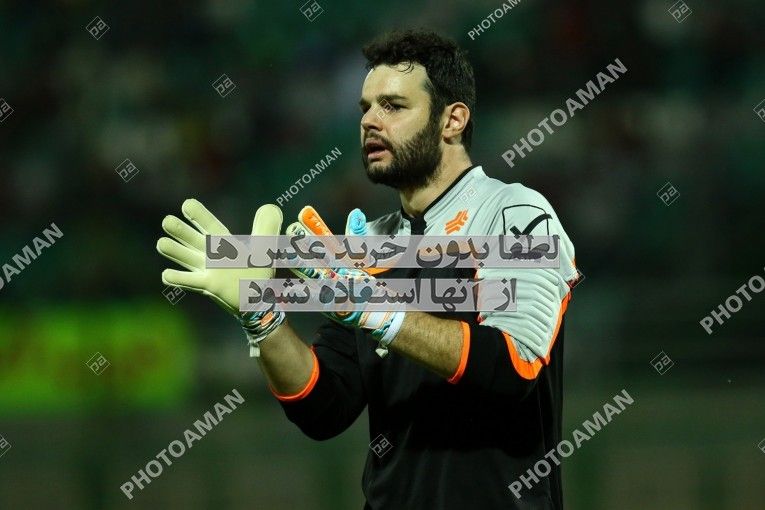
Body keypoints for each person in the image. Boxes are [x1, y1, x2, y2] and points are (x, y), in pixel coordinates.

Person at [157, 29, 578, 510]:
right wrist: (263, 319)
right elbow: (323, 408)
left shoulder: (516, 213)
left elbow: (513, 367)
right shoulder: (369, 246)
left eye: (393, 106)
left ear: (453, 120)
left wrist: (374, 309)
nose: (370, 121)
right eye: (365, 108)